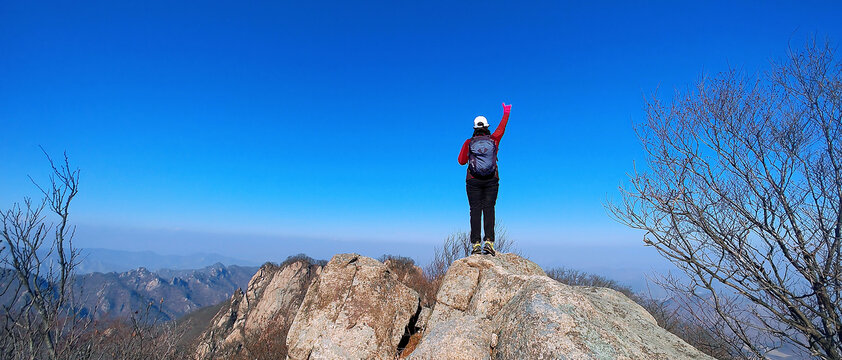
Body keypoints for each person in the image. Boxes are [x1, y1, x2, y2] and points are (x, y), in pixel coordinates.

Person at [458, 102, 511, 256]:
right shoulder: (494, 139)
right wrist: (506, 112)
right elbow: (502, 129)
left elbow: (461, 161)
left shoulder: (469, 143)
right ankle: (489, 242)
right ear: (487, 127)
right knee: (489, 209)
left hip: (473, 181)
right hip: (491, 180)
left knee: (475, 210)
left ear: (474, 128)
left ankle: (475, 245)